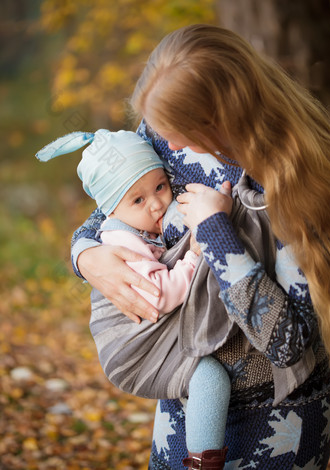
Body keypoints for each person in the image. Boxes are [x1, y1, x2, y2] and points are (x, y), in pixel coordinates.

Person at [71, 25, 330, 469]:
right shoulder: (166, 131)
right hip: (188, 394)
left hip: (280, 418)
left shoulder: (297, 184)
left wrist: (215, 231)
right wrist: (87, 255)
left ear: (225, 116)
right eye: (160, 128)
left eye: (182, 130)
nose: (168, 144)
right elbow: (118, 204)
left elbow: (289, 343)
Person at [36, 128, 232, 469]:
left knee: (207, 381)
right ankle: (204, 462)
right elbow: (162, 294)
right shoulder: (122, 241)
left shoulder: (138, 225)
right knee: (209, 378)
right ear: (112, 209)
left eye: (159, 186)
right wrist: (196, 255)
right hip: (130, 350)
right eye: (138, 200)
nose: (157, 203)